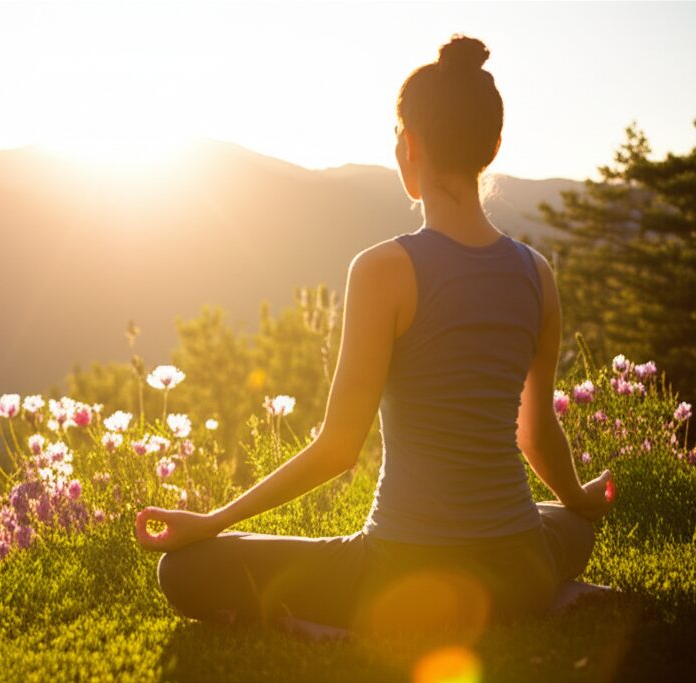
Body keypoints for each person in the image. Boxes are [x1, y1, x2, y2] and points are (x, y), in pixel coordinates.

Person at [133, 34, 615, 639]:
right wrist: (581, 499)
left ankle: (337, 631)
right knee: (567, 523)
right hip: (519, 566)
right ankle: (550, 593)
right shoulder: (536, 275)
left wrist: (215, 519)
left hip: (402, 572)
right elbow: (536, 433)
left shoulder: (383, 270)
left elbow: (338, 450)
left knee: (185, 571)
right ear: (492, 147)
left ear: (408, 146)